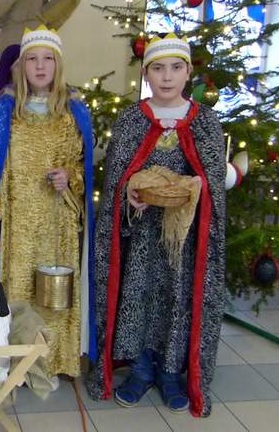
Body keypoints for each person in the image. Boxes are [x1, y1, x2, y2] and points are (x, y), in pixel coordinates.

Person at [86, 34, 226, 417]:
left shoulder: (205, 122)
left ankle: (169, 372)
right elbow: (117, 179)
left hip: (184, 240)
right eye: (158, 69)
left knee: (177, 301)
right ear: (146, 74)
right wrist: (128, 196)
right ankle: (141, 368)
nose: (167, 77)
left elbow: (212, 181)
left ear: (188, 72)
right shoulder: (133, 120)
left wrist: (194, 189)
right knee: (139, 297)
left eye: (176, 68)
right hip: (142, 238)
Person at [0, 26, 95, 377]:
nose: (40, 66)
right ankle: (19, 364)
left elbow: (82, 165)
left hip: (57, 223)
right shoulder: (5, 110)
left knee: (54, 294)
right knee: (19, 289)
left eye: (48, 59)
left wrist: (69, 178)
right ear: (21, 66)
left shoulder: (73, 110)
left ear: (58, 65)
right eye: (32, 59)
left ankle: (54, 360)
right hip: (18, 221)